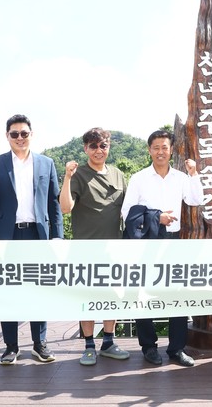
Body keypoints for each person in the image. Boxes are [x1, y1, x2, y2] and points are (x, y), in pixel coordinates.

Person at [0, 114, 64, 365]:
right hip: (7, 235)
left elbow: (54, 202)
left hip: (37, 234)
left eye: (24, 133)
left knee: (39, 289)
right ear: (7, 136)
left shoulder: (46, 163)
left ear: (31, 135)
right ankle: (11, 347)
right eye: (14, 134)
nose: (20, 138)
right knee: (8, 290)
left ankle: (39, 344)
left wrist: (57, 236)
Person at [120, 130, 204, 367]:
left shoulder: (181, 177)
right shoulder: (139, 178)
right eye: (156, 147)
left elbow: (196, 200)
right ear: (149, 150)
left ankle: (177, 348)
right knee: (143, 293)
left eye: (164, 147)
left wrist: (194, 174)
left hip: (173, 239)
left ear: (171, 150)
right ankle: (148, 346)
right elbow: (127, 212)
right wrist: (157, 217)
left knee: (177, 293)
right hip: (146, 241)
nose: (160, 152)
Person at [59, 127, 130, 366]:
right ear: (85, 148)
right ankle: (89, 345)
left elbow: (128, 209)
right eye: (93, 146)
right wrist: (67, 177)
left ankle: (108, 342)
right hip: (85, 250)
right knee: (86, 298)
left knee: (113, 296)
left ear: (109, 147)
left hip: (115, 249)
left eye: (103, 146)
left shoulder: (118, 174)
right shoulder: (78, 174)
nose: (98, 150)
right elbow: (65, 208)